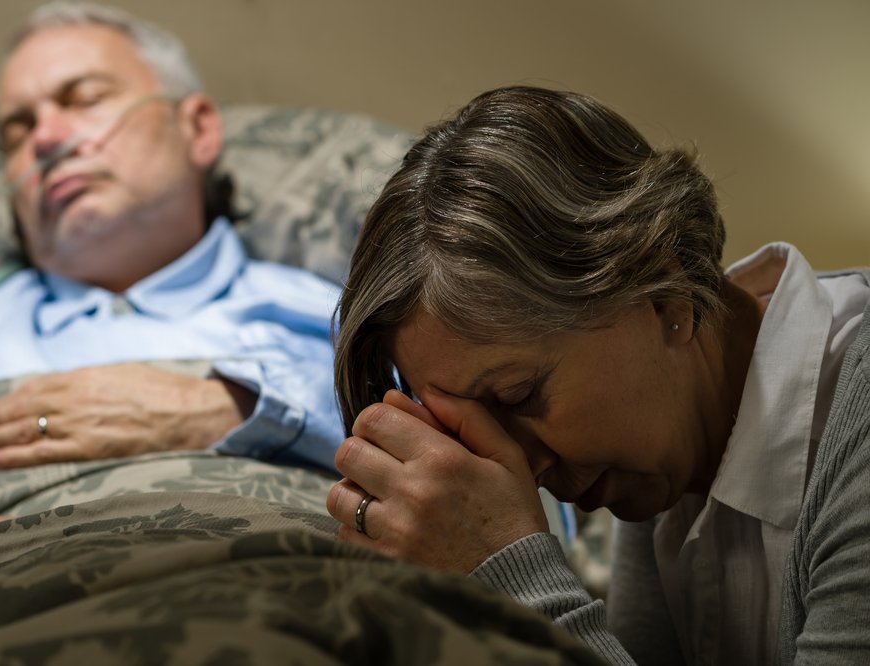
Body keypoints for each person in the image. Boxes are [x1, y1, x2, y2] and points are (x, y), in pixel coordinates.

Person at [326, 85, 870, 664]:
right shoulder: (667, 441)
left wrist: (513, 580)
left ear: (668, 292)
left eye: (520, 394)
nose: (521, 471)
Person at [0, 3, 342, 563]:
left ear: (198, 129)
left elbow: (449, 463)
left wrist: (240, 408)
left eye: (84, 99)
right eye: (17, 131)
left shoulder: (338, 315)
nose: (45, 140)